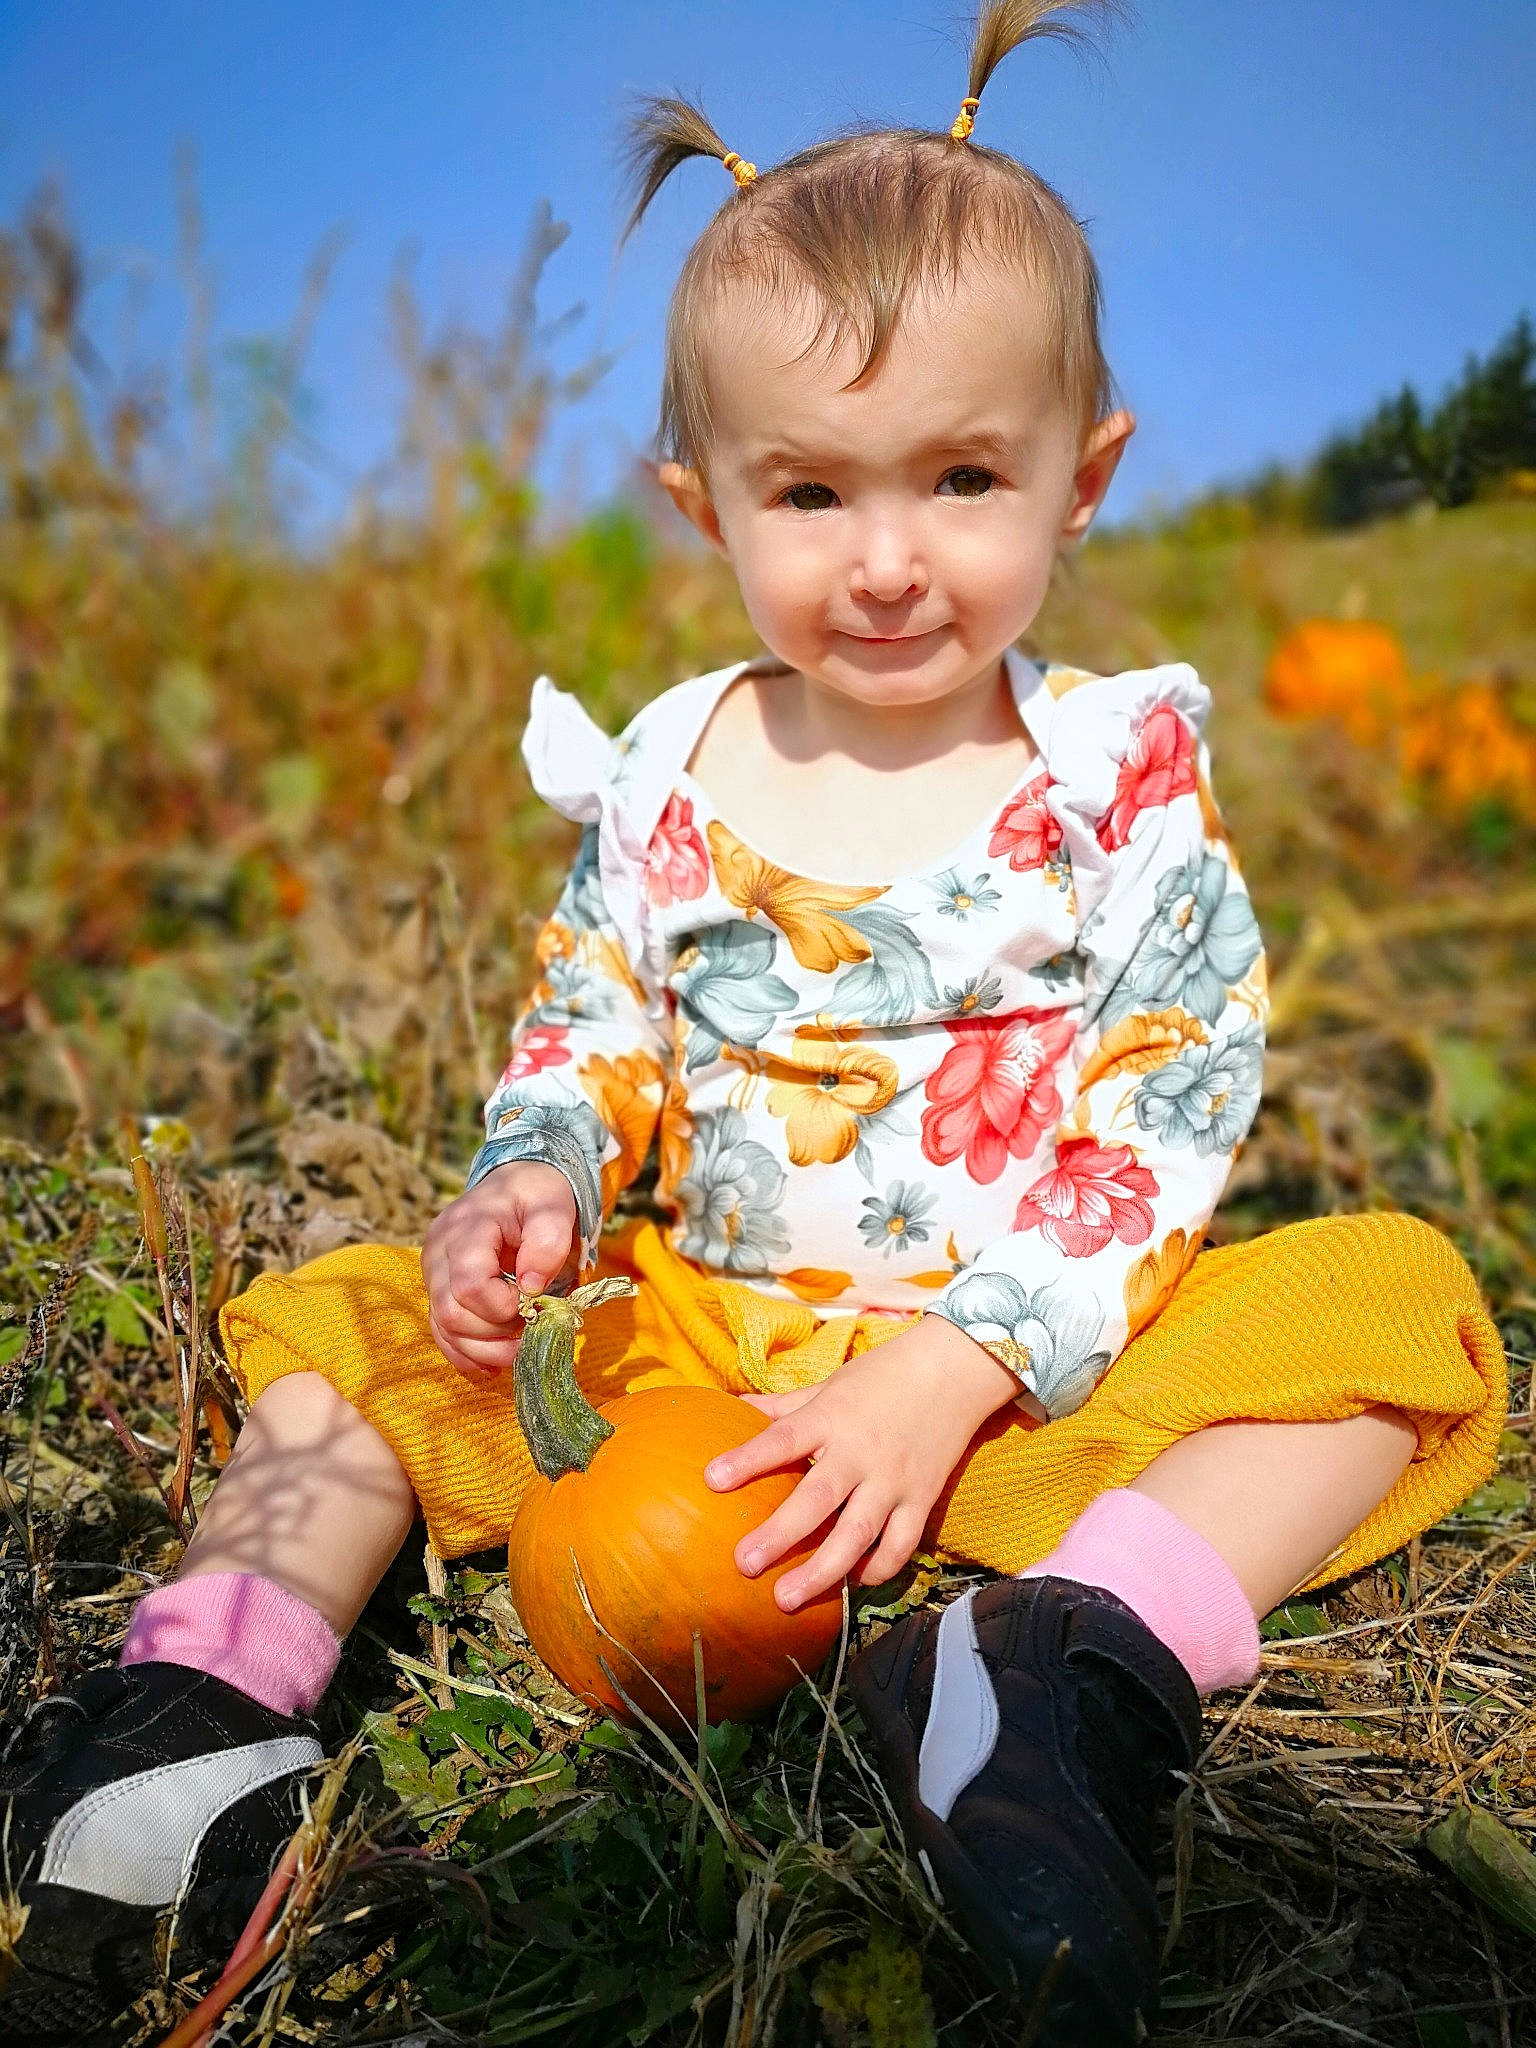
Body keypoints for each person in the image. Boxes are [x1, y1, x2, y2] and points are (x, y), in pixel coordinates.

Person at [1, 5, 1506, 2041]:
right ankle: (202, 1701)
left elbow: (1166, 1104)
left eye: (964, 475)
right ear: (702, 501)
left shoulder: (1109, 771)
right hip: (685, 1352)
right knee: (348, 1328)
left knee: (1380, 1303)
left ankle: (1058, 1665)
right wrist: (533, 1176)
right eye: (812, 492)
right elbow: (589, 1016)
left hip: (1013, 1379)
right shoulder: (668, 775)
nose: (888, 562)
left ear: (1086, 479)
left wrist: (961, 1362)